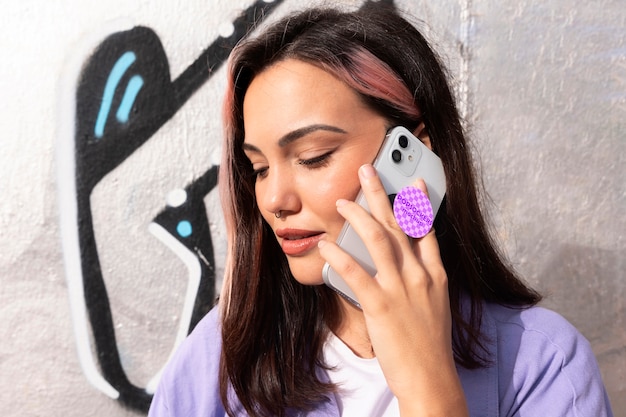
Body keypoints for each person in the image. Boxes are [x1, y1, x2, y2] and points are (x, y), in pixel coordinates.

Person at [148, 4, 613, 417]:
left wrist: (430, 388)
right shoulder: (221, 357)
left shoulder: (542, 362)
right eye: (260, 168)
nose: (274, 201)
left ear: (415, 155)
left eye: (313, 156)